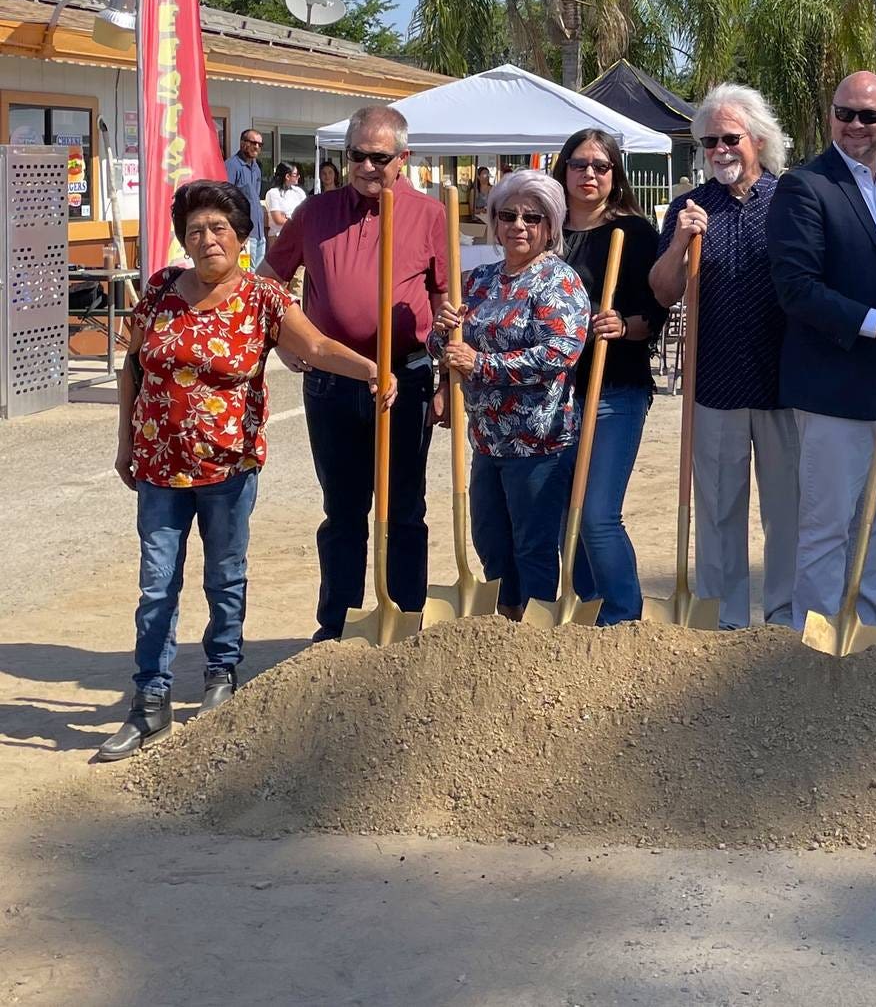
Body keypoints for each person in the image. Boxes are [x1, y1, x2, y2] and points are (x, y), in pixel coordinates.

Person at [97, 180, 391, 761]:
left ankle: (220, 678)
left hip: (228, 466)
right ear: (184, 238)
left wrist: (374, 370)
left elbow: (318, 346)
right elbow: (132, 363)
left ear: (241, 237)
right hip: (160, 464)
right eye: (196, 230)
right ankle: (149, 702)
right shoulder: (159, 289)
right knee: (157, 585)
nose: (207, 240)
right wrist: (125, 441)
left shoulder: (263, 298)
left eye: (219, 229)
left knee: (223, 576)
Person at [261, 105, 448, 641]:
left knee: (405, 507)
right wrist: (283, 340)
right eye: (357, 155)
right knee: (342, 509)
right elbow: (269, 281)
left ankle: (406, 619)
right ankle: (337, 626)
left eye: (379, 157)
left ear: (403, 159)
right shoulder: (315, 213)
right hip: (333, 380)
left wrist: (447, 383)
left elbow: (444, 296)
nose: (367, 166)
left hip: (405, 378)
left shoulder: (429, 216)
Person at [764, 71, 876, 633]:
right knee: (827, 524)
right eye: (846, 113)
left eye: (869, 115)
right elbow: (796, 287)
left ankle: (860, 624)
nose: (856, 126)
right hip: (833, 386)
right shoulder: (805, 187)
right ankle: (814, 636)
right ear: (830, 116)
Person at [650, 83, 797, 628]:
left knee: (789, 515)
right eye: (709, 141)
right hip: (713, 388)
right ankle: (723, 621)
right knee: (717, 514)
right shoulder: (690, 209)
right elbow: (663, 293)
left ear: (757, 139)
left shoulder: (791, 199)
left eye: (729, 138)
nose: (720, 150)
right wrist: (677, 244)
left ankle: (784, 619)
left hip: (786, 387)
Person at [434, 171, 591, 617]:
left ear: (550, 226)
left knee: (533, 549)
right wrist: (442, 331)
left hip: (538, 442)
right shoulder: (478, 280)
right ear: (494, 222)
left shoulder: (558, 282)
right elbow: (445, 347)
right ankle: (504, 629)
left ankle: (538, 641)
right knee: (492, 545)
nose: (519, 225)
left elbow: (560, 352)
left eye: (532, 217)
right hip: (487, 440)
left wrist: (481, 364)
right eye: (508, 215)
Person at [546, 128, 666, 625]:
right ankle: (585, 611)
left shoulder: (634, 234)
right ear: (564, 169)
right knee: (564, 520)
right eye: (579, 164)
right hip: (552, 395)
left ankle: (622, 618)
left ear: (615, 174)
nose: (589, 174)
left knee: (596, 515)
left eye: (600, 165)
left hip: (615, 389)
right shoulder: (545, 229)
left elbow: (655, 313)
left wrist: (623, 325)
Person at [226, 128, 267, 268]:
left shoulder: (256, 167)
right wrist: (239, 232)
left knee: (259, 274)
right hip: (245, 233)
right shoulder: (232, 166)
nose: (257, 147)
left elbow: (254, 198)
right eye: (253, 142)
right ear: (243, 143)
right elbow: (226, 200)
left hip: (259, 232)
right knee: (247, 273)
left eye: (260, 144)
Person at [263, 162, 306, 237]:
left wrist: (287, 217)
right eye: (296, 174)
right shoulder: (273, 193)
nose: (299, 176)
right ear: (287, 176)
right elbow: (278, 220)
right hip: (279, 236)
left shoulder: (299, 192)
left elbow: (306, 214)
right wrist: (298, 218)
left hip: (298, 235)